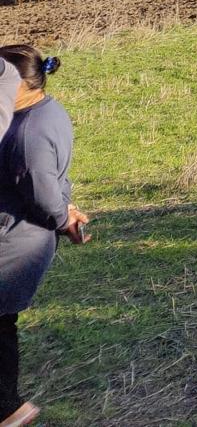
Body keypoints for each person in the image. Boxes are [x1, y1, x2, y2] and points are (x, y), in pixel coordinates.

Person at [0, 46, 89, 427]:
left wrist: (61, 216)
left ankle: (8, 409)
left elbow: (42, 190)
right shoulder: (46, 109)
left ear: (17, 85)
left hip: (14, 243)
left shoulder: (27, 132)